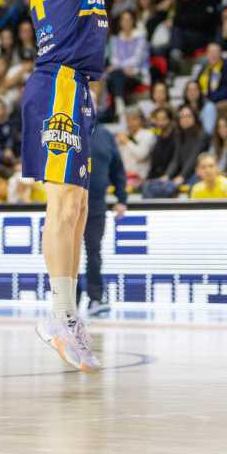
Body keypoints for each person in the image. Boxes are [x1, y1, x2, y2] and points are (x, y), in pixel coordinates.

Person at [17, 0, 153, 372]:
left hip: (74, 86)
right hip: (58, 86)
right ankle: (58, 313)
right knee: (64, 203)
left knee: (75, 204)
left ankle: (67, 315)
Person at [82, 120, 128, 316]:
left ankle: (95, 298)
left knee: (94, 252)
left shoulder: (105, 135)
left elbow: (117, 168)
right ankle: (66, 301)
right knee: (67, 253)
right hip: (69, 203)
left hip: (96, 204)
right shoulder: (65, 128)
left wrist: (121, 198)